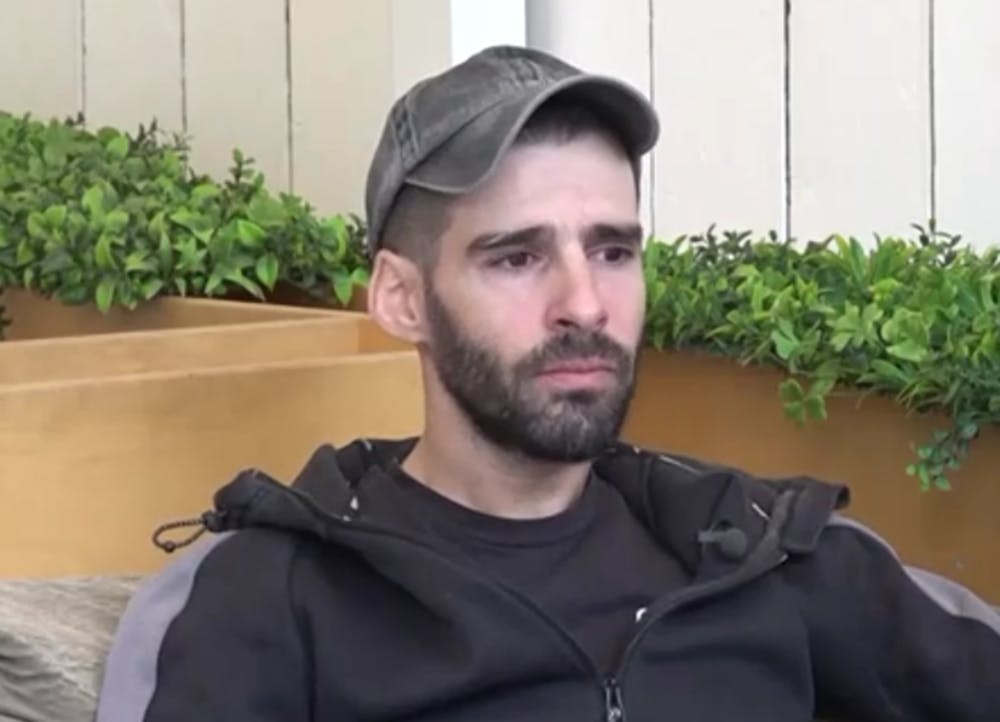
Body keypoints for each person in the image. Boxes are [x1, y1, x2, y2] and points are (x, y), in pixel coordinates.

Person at [96, 45, 1000, 721]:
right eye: (517, 257)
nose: (585, 304)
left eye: (613, 251)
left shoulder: (755, 547)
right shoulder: (264, 599)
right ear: (402, 299)